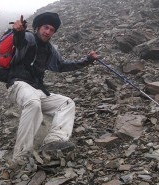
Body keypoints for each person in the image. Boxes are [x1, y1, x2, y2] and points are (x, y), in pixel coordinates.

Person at [7, 12, 99, 163]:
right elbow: (19, 42)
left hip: (36, 89)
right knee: (33, 102)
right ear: (38, 27)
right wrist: (18, 31)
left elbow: (62, 66)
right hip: (18, 84)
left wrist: (88, 61)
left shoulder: (50, 49)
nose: (48, 32)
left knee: (67, 103)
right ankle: (21, 155)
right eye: (46, 27)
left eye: (52, 30)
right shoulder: (29, 37)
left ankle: (53, 142)